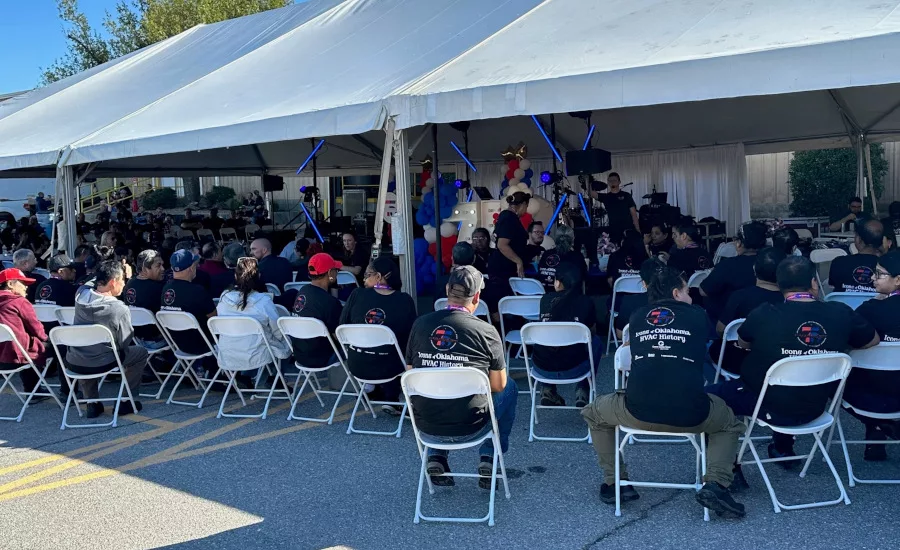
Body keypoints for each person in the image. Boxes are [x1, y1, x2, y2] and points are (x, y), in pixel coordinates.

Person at [582, 266, 746, 517]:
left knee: (594, 413)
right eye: (686, 290)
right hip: (693, 413)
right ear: (676, 293)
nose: (690, 293)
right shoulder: (698, 315)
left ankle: (616, 482)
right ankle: (716, 483)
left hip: (637, 411)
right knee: (730, 423)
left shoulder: (637, 317)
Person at [707, 256, 878, 467]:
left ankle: (726, 470)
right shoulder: (841, 312)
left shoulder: (764, 314)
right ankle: (782, 447)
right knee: (789, 383)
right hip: (816, 405)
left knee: (707, 399)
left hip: (763, 402)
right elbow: (872, 341)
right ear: (814, 283)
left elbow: (743, 343)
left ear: (779, 286)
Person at [405, 265, 517, 488]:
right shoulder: (486, 331)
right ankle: (489, 457)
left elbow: (411, 375)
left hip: (428, 425)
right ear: (476, 296)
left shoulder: (420, 325)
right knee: (510, 387)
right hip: (472, 425)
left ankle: (436, 456)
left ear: (447, 289)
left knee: (436, 389)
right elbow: (498, 385)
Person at [67, 260, 148, 418]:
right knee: (140, 353)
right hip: (103, 361)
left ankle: (92, 402)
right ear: (113, 282)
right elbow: (125, 343)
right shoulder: (119, 308)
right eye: (123, 280)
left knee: (84, 347)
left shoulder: (80, 296)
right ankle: (126, 400)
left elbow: (89, 283)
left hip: (75, 360)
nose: (124, 284)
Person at [340, 256, 417, 412]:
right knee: (399, 348)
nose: (364, 278)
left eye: (368, 274)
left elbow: (342, 325)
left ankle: (369, 388)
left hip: (356, 365)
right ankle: (391, 396)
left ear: (380, 277)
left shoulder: (357, 295)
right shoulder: (404, 300)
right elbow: (411, 337)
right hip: (389, 367)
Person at [845, 251, 900, 460]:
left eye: (879, 274)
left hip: (870, 395)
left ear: (898, 280)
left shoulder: (870, 309)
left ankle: (878, 424)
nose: (872, 278)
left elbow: (850, 339)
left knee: (834, 381)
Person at [532, 262, 599, 408]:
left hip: (542, 368)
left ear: (558, 282)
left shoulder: (546, 299)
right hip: (575, 367)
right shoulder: (586, 302)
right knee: (596, 341)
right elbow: (591, 332)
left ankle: (547, 389)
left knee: (546, 338)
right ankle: (583, 389)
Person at [216, 257, 291, 382]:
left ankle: (245, 376)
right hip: (257, 354)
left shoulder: (224, 298)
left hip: (228, 353)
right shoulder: (263, 301)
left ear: (235, 276)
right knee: (286, 340)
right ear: (259, 275)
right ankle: (275, 378)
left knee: (257, 341)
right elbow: (277, 330)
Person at [700, 221, 768, 323]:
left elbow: (703, 291)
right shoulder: (770, 264)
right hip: (766, 320)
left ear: (739, 243)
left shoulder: (727, 265)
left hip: (729, 325)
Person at [0, 268, 51, 399]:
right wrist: (48, 339)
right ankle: (67, 391)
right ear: (10, 284)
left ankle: (32, 390)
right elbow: (37, 329)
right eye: (23, 283)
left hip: (3, 358)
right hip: (16, 356)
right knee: (58, 347)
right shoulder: (19, 301)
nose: (26, 288)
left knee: (24, 344)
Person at [290, 253, 343, 370]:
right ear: (330, 273)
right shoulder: (330, 303)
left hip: (300, 355)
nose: (337, 272)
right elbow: (339, 336)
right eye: (336, 270)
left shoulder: (303, 291)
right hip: (323, 358)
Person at [160, 249, 217, 358]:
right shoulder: (198, 291)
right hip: (203, 344)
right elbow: (214, 318)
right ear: (191, 268)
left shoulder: (165, 289)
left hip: (179, 345)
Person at [122, 250, 166, 348]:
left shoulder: (129, 285)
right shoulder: (159, 288)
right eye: (158, 266)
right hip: (158, 340)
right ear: (145, 269)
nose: (163, 269)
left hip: (137, 340)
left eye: (163, 265)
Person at [828, 219, 884, 293]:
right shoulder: (887, 266)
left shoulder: (838, 263)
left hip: (844, 304)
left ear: (858, 239)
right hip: (876, 304)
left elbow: (833, 285)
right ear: (882, 241)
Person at [536, 224, 585, 293]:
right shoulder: (577, 256)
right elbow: (584, 276)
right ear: (573, 239)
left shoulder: (546, 254)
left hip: (546, 297)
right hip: (571, 298)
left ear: (555, 238)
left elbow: (539, 272)